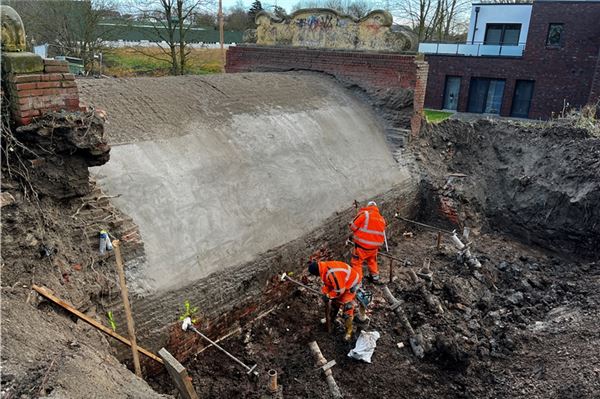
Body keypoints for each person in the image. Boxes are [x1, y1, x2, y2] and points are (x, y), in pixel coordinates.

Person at [308, 260, 367, 341]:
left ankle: (348, 332)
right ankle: (331, 319)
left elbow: (339, 290)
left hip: (351, 285)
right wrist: (326, 293)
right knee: (335, 303)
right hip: (342, 283)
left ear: (317, 272)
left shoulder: (331, 272)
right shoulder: (324, 268)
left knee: (347, 309)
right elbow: (329, 284)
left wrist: (329, 295)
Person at [349, 201, 386, 284]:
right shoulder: (382, 219)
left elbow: (353, 227)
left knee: (357, 263)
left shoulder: (365, 214)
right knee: (372, 261)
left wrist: (351, 223)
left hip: (362, 246)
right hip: (374, 247)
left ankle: (358, 282)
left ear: (368, 206)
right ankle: (375, 277)